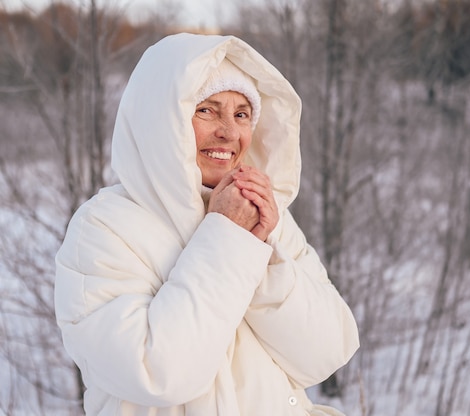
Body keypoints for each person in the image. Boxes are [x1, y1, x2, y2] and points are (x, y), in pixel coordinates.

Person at [54, 33, 360, 416]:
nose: (229, 133)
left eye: (241, 114)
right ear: (163, 120)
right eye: (207, 110)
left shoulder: (264, 216)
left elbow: (327, 353)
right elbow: (157, 372)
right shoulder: (103, 229)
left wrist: (261, 256)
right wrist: (228, 238)